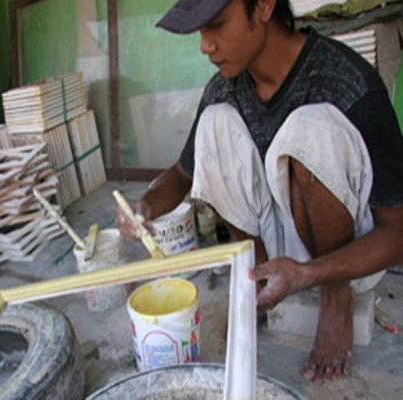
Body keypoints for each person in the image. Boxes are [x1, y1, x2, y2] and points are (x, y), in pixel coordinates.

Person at [116, 0, 403, 383]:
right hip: (278, 240)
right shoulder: (224, 89)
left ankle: (335, 297)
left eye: (217, 24)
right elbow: (182, 175)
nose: (205, 45)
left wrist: (311, 274)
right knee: (214, 125)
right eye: (201, 31)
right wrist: (145, 205)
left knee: (309, 128)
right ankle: (262, 279)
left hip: (348, 251)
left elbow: (397, 233)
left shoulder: (346, 81)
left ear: (265, 6)